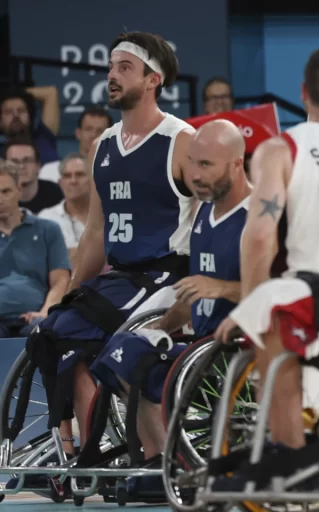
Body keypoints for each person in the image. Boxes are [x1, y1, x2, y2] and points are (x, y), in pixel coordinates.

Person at [17, 31, 196, 492]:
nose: (111, 76)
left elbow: (208, 222)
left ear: (153, 79)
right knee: (55, 332)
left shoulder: (181, 141)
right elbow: (95, 232)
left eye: (124, 68)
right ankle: (82, 455)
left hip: (168, 274)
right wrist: (72, 293)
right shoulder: (106, 145)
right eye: (110, 67)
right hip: (121, 279)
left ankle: (159, 458)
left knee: (108, 345)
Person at [210, 44, 319, 492]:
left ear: (304, 91)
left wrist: (251, 306)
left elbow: (259, 237)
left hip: (318, 291)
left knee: (269, 330)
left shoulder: (283, 149)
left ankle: (295, 458)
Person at [87, 119, 251, 495]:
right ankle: (161, 459)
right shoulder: (204, 214)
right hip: (202, 346)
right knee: (124, 351)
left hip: (240, 350)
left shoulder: (258, 217)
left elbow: (278, 291)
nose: (194, 174)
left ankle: (175, 464)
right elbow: (194, 291)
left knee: (138, 355)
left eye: (206, 165)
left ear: (237, 165)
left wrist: (221, 287)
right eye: (191, 162)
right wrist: (163, 324)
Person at [0, 160, 70, 338]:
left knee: (50, 328)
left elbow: (60, 280)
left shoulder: (48, 229)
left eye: (5, 191)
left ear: (19, 190)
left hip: (36, 318)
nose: (0, 199)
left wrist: (46, 311)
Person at [38, 153, 91, 261]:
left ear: (93, 180)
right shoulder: (46, 218)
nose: (73, 181)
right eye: (67, 176)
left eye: (80, 174)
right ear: (60, 183)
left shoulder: (110, 215)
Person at [39, 107, 113, 183]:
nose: (93, 135)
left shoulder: (119, 171)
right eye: (88, 129)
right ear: (78, 133)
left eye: (100, 131)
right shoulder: (50, 171)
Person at [0, 86, 61, 165]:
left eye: (21, 110)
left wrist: (18, 92)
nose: (16, 115)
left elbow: (50, 93)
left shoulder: (45, 137)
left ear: (30, 117)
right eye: (8, 112)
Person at [4, 137, 63, 213]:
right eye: (14, 161)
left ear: (38, 166)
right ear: (5, 167)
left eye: (27, 160)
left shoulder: (56, 193)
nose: (21, 166)